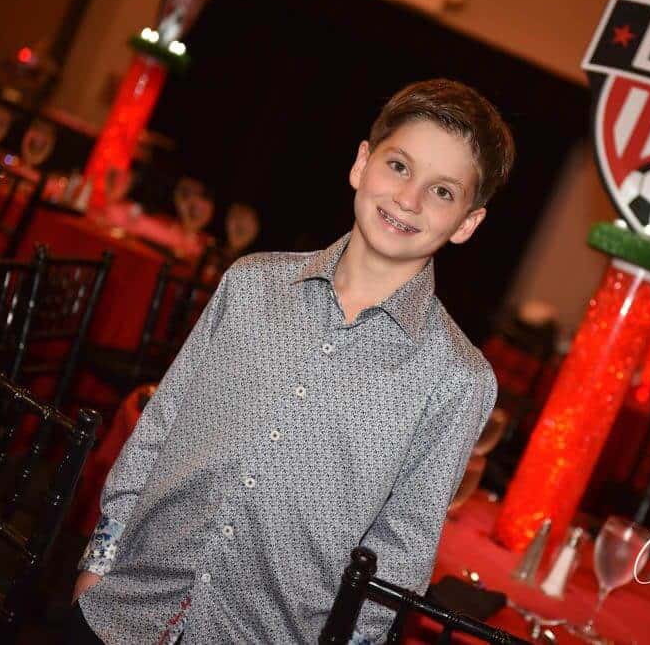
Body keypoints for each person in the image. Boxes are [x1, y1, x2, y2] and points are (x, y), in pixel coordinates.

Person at [69, 78, 515, 643]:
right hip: (125, 608)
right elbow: (161, 424)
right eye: (399, 166)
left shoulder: (457, 380)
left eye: (443, 192)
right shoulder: (252, 283)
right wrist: (100, 563)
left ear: (468, 224)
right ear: (361, 164)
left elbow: (396, 562)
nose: (409, 199)